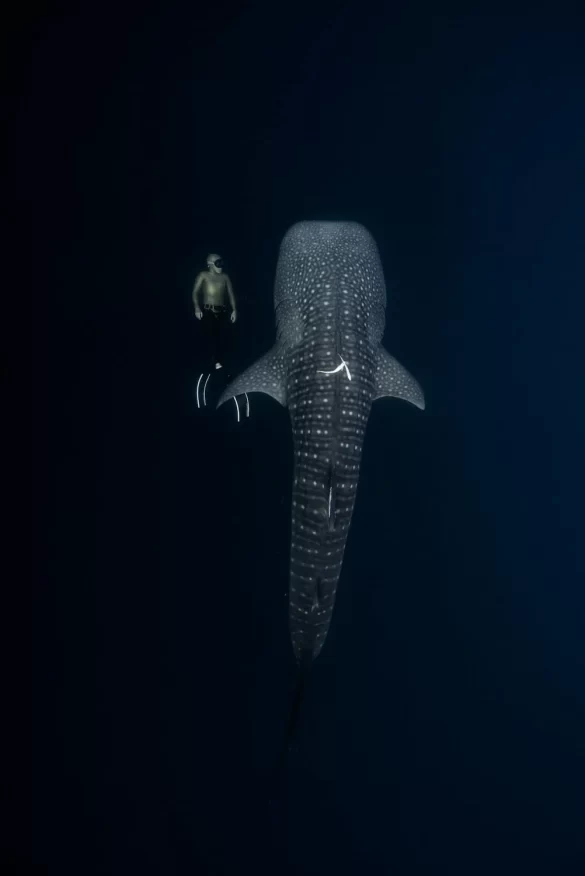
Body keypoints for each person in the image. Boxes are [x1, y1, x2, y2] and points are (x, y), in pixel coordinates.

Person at [192, 254, 237, 372]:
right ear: (210, 264)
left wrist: (234, 310)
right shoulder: (203, 275)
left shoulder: (225, 277)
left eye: (221, 262)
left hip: (222, 311)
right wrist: (197, 308)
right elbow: (195, 292)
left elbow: (231, 294)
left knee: (224, 337)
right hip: (208, 311)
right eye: (218, 263)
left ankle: (221, 362)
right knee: (211, 337)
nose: (221, 265)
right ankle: (214, 362)